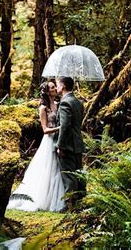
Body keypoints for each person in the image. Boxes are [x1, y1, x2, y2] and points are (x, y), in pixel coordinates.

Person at [6, 81, 65, 212]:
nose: (55, 88)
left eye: (55, 86)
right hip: (49, 140)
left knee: (58, 168)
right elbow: (44, 129)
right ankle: (43, 198)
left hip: (58, 139)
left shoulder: (58, 105)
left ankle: (59, 197)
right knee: (48, 169)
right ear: (47, 91)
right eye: (52, 87)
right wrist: (61, 128)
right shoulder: (43, 109)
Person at [55, 76, 85, 209]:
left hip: (68, 145)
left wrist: (60, 146)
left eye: (57, 85)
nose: (56, 87)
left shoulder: (65, 102)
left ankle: (70, 205)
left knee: (69, 175)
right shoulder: (78, 102)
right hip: (78, 143)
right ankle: (82, 202)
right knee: (79, 173)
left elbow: (65, 126)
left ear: (63, 86)